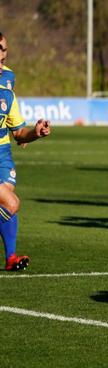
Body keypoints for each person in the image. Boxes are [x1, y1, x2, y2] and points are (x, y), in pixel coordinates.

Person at [0, 84, 51, 270]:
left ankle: (11, 258)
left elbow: (19, 134)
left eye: (4, 53)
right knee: (11, 203)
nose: (1, 60)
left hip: (2, 157)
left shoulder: (6, 94)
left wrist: (35, 134)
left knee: (6, 203)